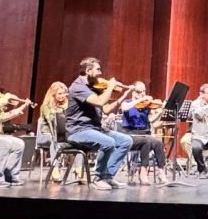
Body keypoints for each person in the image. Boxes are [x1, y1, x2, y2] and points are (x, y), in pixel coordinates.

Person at [65, 57, 134, 190]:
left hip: (94, 129)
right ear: (88, 71)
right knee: (108, 142)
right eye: (98, 70)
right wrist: (111, 87)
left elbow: (105, 108)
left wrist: (124, 94)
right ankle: (98, 178)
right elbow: (100, 101)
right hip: (78, 131)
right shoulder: (78, 87)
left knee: (126, 141)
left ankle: (107, 176)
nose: (100, 73)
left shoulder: (93, 86)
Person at [117, 81, 168, 184]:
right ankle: (143, 172)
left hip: (144, 133)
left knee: (158, 143)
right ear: (134, 92)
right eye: (140, 92)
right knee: (146, 142)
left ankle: (161, 172)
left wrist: (161, 112)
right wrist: (140, 100)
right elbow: (125, 108)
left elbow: (150, 120)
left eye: (144, 91)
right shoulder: (127, 102)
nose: (143, 94)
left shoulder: (145, 106)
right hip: (131, 134)